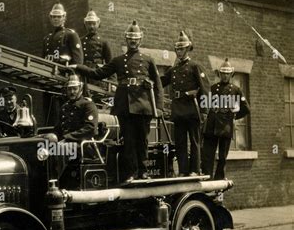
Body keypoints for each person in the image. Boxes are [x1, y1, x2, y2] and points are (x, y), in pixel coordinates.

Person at [71, 20, 164, 182]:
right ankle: (131, 173)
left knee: (142, 140)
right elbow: (98, 73)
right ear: (126, 40)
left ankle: (143, 172)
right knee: (128, 140)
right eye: (130, 38)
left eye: (136, 39)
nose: (133, 41)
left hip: (143, 105)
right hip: (125, 105)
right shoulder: (119, 60)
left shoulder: (148, 60)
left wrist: (160, 107)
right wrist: (79, 67)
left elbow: (158, 85)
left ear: (140, 40)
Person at [161, 31, 210, 177]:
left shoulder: (195, 66)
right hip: (178, 109)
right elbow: (162, 81)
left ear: (188, 49)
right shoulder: (174, 69)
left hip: (192, 108)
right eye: (177, 49)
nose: (179, 52)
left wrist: (204, 110)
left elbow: (205, 89)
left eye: (182, 49)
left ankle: (195, 170)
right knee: (180, 141)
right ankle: (183, 170)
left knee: (194, 141)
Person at [201, 58, 250, 179]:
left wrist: (233, 116)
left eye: (227, 73)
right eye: (223, 73)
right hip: (211, 126)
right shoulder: (212, 89)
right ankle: (207, 176)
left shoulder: (236, 90)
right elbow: (205, 105)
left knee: (222, 157)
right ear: (219, 74)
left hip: (225, 127)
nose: (225, 76)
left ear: (231, 75)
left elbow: (246, 108)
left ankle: (219, 178)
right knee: (208, 155)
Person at [54, 74, 98, 142]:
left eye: (75, 89)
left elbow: (91, 129)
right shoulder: (64, 107)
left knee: (54, 149)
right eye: (69, 89)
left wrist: (67, 137)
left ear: (80, 89)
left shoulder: (88, 105)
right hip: (64, 141)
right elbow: (58, 128)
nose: (72, 92)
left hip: (80, 143)